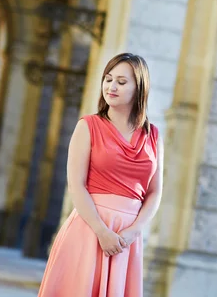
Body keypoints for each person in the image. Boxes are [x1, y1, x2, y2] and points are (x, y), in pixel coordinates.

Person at [38, 53, 164, 297]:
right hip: (90, 228)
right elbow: (76, 185)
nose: (111, 86)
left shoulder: (153, 136)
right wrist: (101, 231)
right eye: (108, 79)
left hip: (127, 238)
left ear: (139, 88)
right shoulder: (88, 126)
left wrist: (134, 231)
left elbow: (155, 191)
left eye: (121, 81)